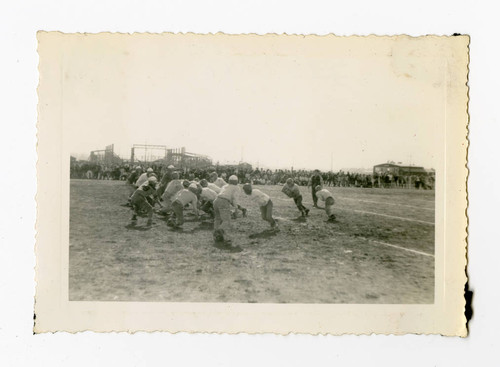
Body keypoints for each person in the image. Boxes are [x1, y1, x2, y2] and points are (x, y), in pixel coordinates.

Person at [213, 175, 239, 244]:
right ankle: (218, 233)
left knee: (217, 218)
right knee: (226, 220)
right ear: (236, 181)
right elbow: (234, 199)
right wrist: (236, 208)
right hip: (224, 201)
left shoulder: (225, 186)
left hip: (216, 200)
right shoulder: (236, 187)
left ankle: (217, 234)